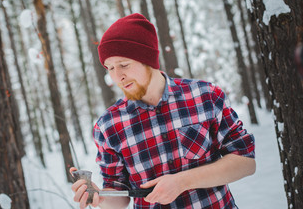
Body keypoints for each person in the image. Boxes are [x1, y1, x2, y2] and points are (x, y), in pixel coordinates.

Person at [70, 13, 256, 209]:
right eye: (110, 68)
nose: (118, 77)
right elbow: (119, 196)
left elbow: (246, 162)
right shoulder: (108, 126)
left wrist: (183, 181)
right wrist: (100, 196)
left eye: (124, 65)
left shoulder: (205, 96)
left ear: (148, 59)